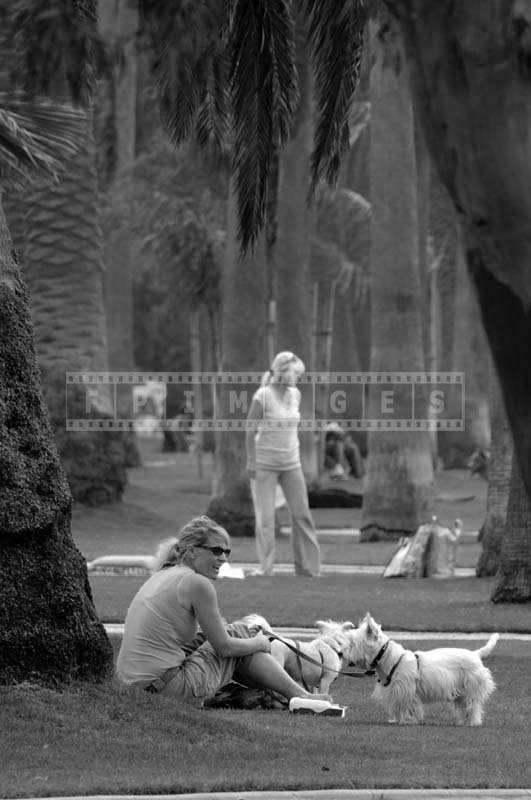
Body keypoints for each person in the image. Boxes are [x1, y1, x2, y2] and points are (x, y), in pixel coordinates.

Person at [115, 515, 331, 706]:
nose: (224, 558)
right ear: (192, 551)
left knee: (233, 635)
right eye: (216, 551)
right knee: (239, 633)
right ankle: (300, 696)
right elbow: (225, 648)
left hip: (136, 688)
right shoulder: (197, 583)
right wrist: (259, 642)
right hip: (167, 689)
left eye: (227, 552)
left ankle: (285, 695)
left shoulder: (163, 573)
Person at [246, 351, 321, 577]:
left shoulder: (295, 394)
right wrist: (251, 461)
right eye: (295, 373)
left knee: (302, 514)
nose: (298, 377)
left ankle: (308, 569)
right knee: (266, 519)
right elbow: (250, 429)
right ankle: (265, 568)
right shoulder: (263, 395)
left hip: (291, 463)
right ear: (283, 372)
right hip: (264, 463)